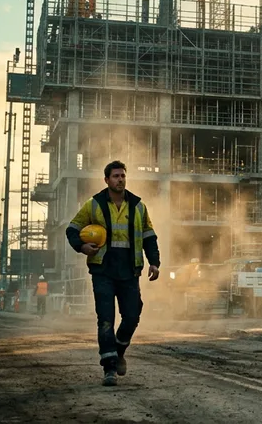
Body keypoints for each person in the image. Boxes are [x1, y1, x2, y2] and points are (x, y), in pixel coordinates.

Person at [66, 160, 161, 386]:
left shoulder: (138, 206)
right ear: (106, 180)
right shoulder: (94, 205)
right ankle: (109, 368)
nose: (120, 179)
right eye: (116, 176)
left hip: (129, 271)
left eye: (123, 176)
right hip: (103, 271)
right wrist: (82, 246)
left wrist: (154, 262)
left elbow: (149, 236)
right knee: (106, 319)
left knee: (132, 315)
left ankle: (118, 351)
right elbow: (72, 228)